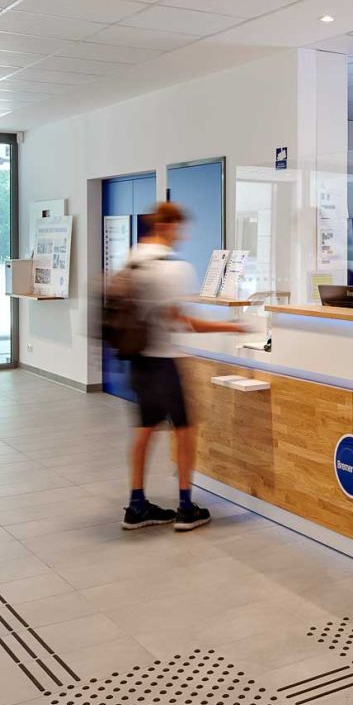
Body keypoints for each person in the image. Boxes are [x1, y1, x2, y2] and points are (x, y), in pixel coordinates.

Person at [120, 202, 248, 533]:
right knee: (185, 430)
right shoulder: (175, 269)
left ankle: (136, 505)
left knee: (144, 430)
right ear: (168, 226)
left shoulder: (134, 256)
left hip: (138, 359)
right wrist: (231, 327)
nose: (183, 235)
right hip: (164, 362)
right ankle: (186, 508)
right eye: (180, 228)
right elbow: (183, 321)